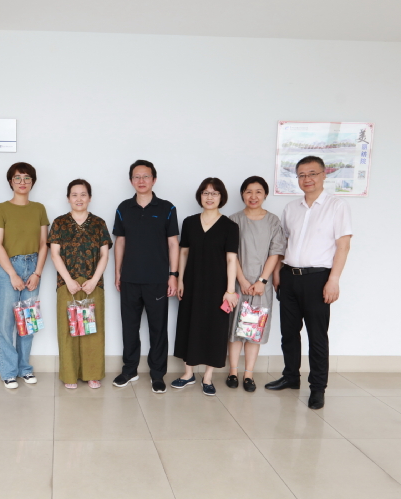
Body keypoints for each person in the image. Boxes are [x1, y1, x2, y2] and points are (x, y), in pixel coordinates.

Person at [266, 156, 352, 410]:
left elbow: (343, 246)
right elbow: (283, 244)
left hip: (318, 279)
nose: (307, 179)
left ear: (324, 175)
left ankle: (317, 388)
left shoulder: (337, 206)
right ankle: (291, 376)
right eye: (302, 175)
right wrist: (277, 273)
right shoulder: (291, 208)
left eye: (312, 173)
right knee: (289, 333)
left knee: (317, 336)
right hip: (289, 277)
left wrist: (333, 280)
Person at [113, 160, 179, 394]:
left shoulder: (167, 208)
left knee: (158, 329)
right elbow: (120, 242)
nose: (141, 181)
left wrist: (173, 275)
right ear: (131, 180)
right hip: (130, 278)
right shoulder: (123, 208)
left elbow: (173, 244)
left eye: (146, 176)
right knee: (129, 327)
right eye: (137, 177)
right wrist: (118, 272)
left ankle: (157, 374)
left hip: (157, 279)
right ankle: (129, 370)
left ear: (154, 179)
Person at [172, 178, 240, 396]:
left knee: (215, 329)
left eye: (214, 193)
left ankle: (208, 377)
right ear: (200, 196)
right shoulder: (189, 222)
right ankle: (188, 373)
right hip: (191, 283)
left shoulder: (230, 226)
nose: (209, 197)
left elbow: (231, 259)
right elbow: (183, 252)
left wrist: (230, 290)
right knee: (189, 325)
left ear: (222, 197)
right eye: (206, 193)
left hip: (217, 287)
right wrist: (180, 280)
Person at [0, 162, 49, 389]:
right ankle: (8, 372)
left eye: (27, 178)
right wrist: (13, 274)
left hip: (33, 266)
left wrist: (37, 273)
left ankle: (25, 369)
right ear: (10, 182)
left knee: (28, 322)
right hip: (9, 269)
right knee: (6, 323)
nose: (22, 182)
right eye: (17, 178)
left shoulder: (39, 208)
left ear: (32, 182)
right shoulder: (1, 209)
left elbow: (43, 244)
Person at [49, 179, 112, 389]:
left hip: (93, 284)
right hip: (66, 284)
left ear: (90, 198)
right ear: (68, 198)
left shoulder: (99, 223)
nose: (79, 199)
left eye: (83, 194)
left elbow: (104, 255)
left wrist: (94, 280)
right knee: (67, 330)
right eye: (74, 195)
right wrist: (68, 280)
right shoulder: (59, 223)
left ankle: (92, 374)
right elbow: (55, 254)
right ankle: (69, 375)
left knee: (92, 330)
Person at [226, 176, 285, 392]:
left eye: (258, 191)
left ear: (265, 195)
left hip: (262, 286)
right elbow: (231, 253)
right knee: (235, 329)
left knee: (254, 330)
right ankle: (233, 372)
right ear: (242, 194)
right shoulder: (233, 220)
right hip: (237, 283)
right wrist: (241, 280)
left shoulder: (273, 221)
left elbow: (275, 252)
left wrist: (262, 281)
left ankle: (249, 374)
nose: (253, 196)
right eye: (248, 191)